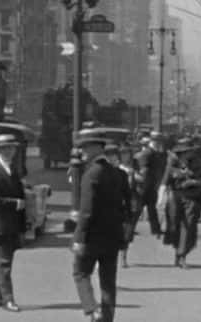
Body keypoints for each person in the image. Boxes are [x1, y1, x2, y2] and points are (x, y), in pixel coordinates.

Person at [72, 135, 130, 322]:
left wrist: (79, 238)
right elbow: (125, 206)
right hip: (112, 235)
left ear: (94, 149)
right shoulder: (118, 173)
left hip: (92, 236)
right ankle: (107, 318)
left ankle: (92, 310)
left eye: (85, 148)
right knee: (108, 281)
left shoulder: (91, 174)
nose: (82, 153)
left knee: (80, 272)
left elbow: (87, 210)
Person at [0, 134, 26, 312]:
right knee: (4, 264)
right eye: (5, 148)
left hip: (9, 225)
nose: (8, 151)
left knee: (3, 263)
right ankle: (8, 300)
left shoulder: (13, 170)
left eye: (11, 148)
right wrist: (16, 203)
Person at [158, 142, 201, 269]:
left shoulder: (197, 165)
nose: (187, 154)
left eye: (189, 152)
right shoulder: (171, 166)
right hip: (175, 197)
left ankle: (182, 255)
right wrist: (160, 199)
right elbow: (164, 182)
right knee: (174, 226)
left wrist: (193, 181)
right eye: (184, 152)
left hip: (191, 197)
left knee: (189, 225)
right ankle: (177, 251)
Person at [135, 132, 168, 237]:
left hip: (151, 186)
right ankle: (128, 229)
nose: (158, 143)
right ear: (152, 141)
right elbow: (143, 170)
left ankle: (156, 229)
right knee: (138, 210)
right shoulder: (147, 153)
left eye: (159, 141)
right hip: (144, 186)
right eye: (157, 141)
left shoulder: (157, 153)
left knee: (151, 209)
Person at [118, 144, 144, 268]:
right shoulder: (115, 166)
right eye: (123, 153)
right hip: (117, 202)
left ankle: (123, 256)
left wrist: (133, 174)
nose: (125, 156)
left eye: (127, 153)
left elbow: (143, 179)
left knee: (128, 230)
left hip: (132, 202)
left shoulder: (135, 167)